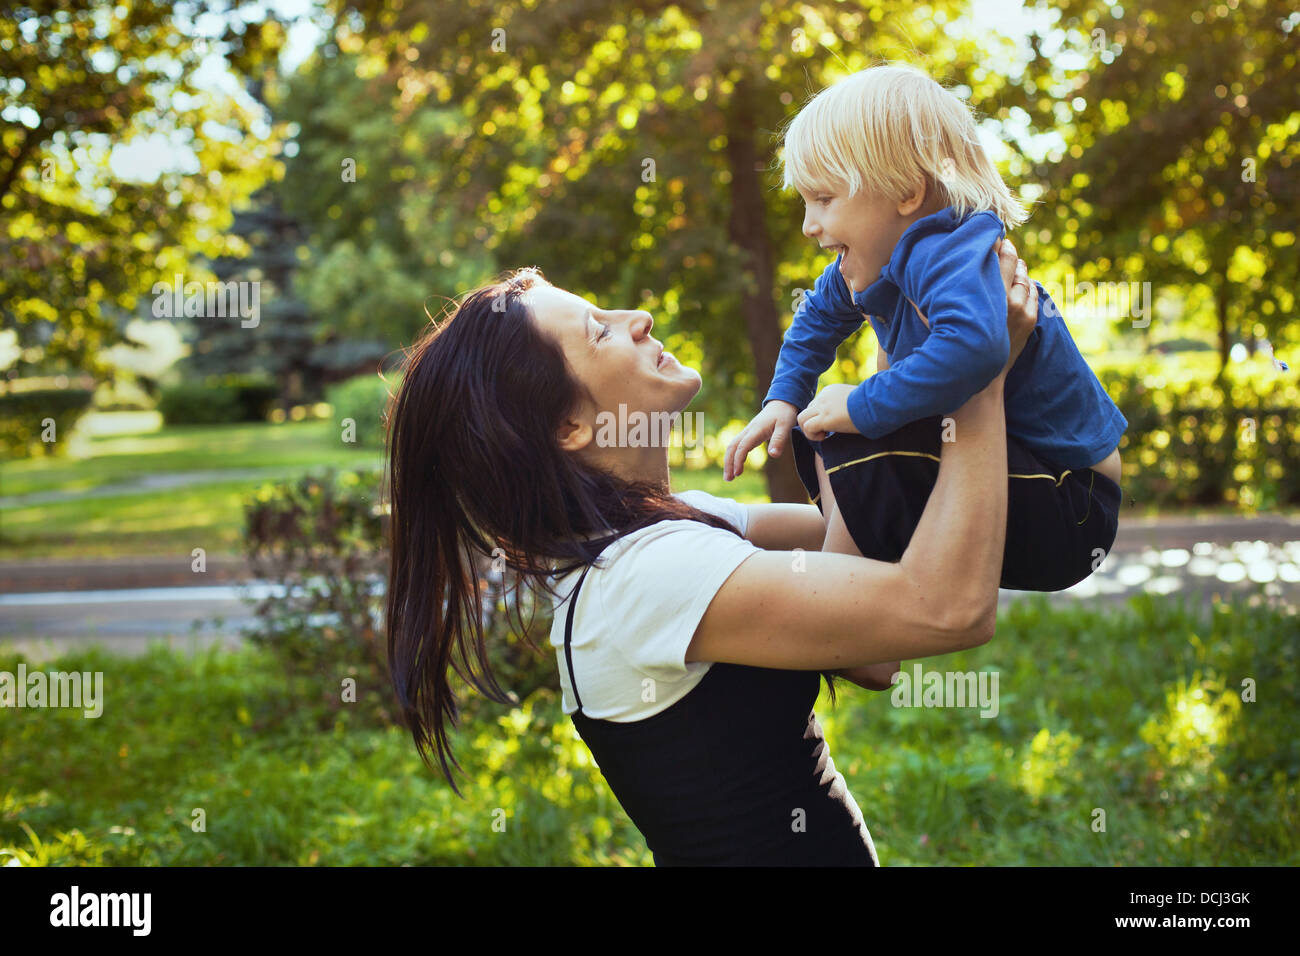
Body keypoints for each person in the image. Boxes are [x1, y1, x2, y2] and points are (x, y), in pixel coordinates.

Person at [383, 238, 1036, 865]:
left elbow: (868, 570)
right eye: (598, 331)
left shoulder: (660, 534)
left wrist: (902, 376)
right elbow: (946, 609)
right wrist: (977, 380)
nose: (636, 319)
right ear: (567, 427)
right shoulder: (646, 577)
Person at [725, 63, 1125, 593]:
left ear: (907, 193)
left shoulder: (949, 249)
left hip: (1071, 499)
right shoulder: (879, 257)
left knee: (855, 422)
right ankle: (848, 576)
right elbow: (816, 318)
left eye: (824, 199)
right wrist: (783, 400)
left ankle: (845, 606)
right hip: (1024, 479)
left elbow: (976, 347)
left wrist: (862, 403)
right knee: (820, 424)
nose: (808, 225)